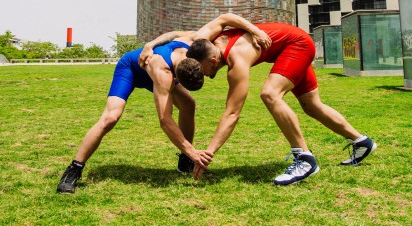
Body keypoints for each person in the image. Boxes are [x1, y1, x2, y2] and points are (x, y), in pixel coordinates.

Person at [57, 14, 271, 193]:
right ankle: (74, 169)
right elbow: (164, 119)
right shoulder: (164, 73)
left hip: (161, 71)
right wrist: (192, 150)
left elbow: (181, 32)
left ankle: (184, 164)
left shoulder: (193, 46)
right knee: (111, 117)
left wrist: (254, 30)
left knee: (188, 104)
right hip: (131, 69)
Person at [174, 22, 377, 186]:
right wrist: (149, 46)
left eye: (204, 71)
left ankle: (304, 159)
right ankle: (361, 141)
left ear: (212, 60)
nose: (207, 77)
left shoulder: (237, 60)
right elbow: (178, 34)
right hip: (291, 44)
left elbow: (232, 113)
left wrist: (208, 153)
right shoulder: (206, 39)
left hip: (297, 45)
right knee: (312, 105)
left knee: (270, 94)